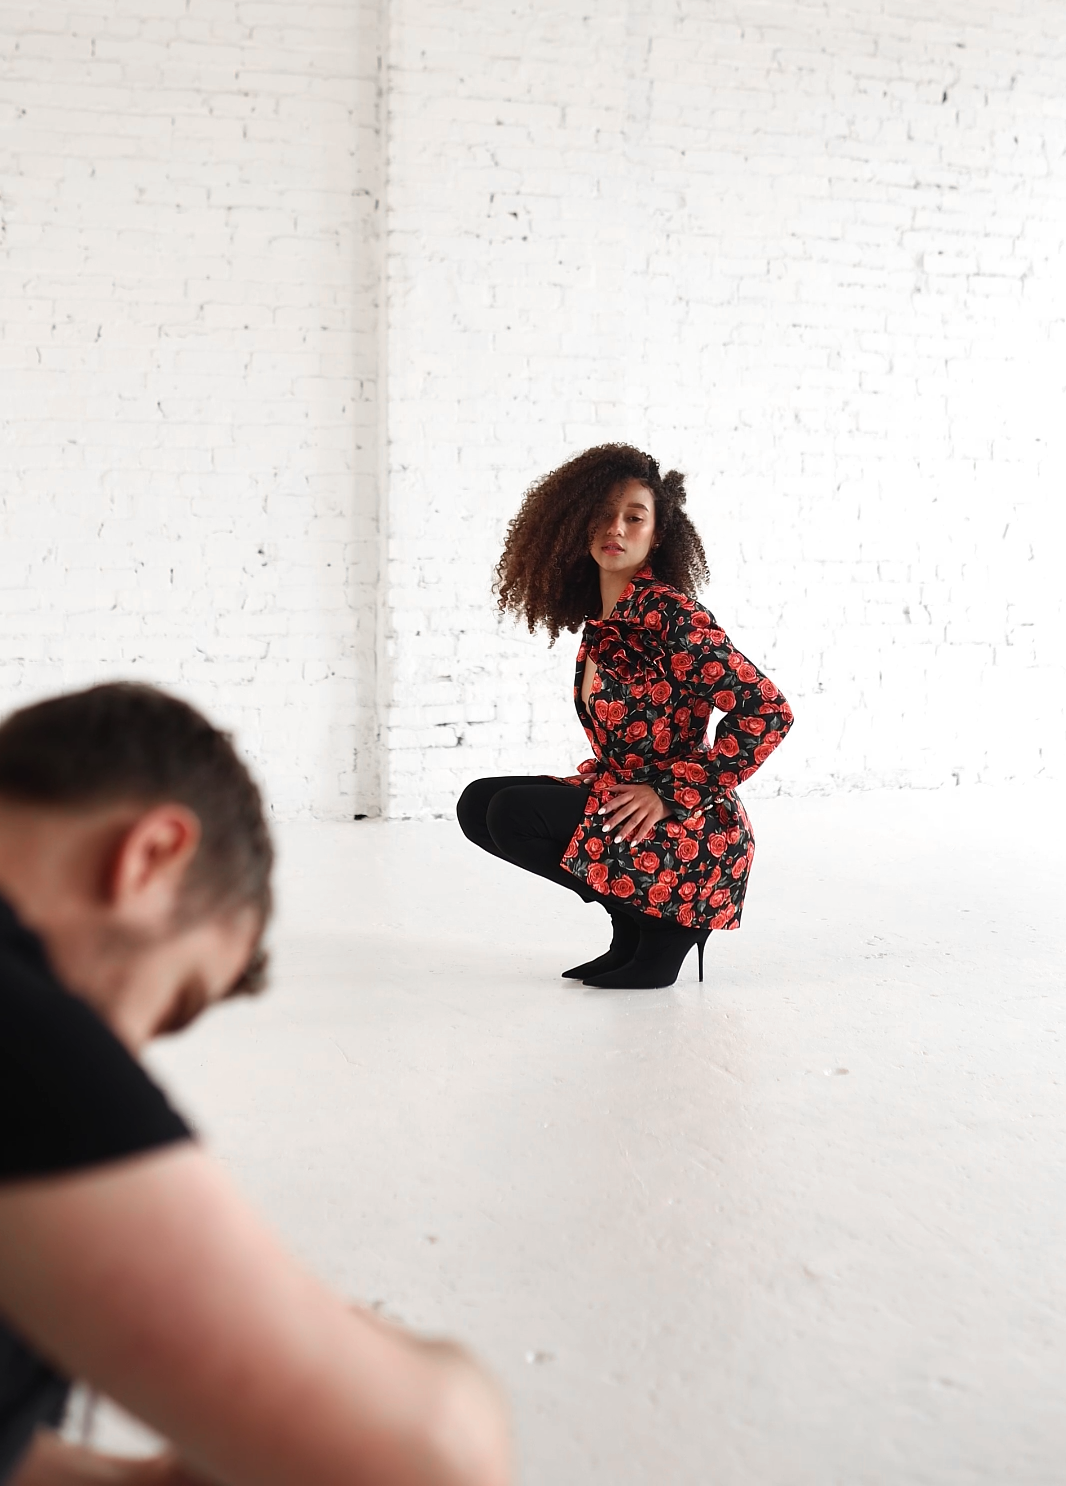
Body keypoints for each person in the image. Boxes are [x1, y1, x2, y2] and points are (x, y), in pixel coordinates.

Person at [0, 683, 511, 1486]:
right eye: (173, 1002)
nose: (126, 1055)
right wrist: (380, 1350)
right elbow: (433, 1456)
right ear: (152, 858)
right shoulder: (28, 1032)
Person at [457, 444, 794, 990]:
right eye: (603, 514)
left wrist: (669, 792)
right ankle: (634, 921)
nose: (616, 527)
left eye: (634, 517)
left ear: (656, 535)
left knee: (511, 813)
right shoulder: (606, 620)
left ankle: (666, 929)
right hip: (628, 808)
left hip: (689, 829)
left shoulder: (671, 615)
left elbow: (768, 711)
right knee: (479, 804)